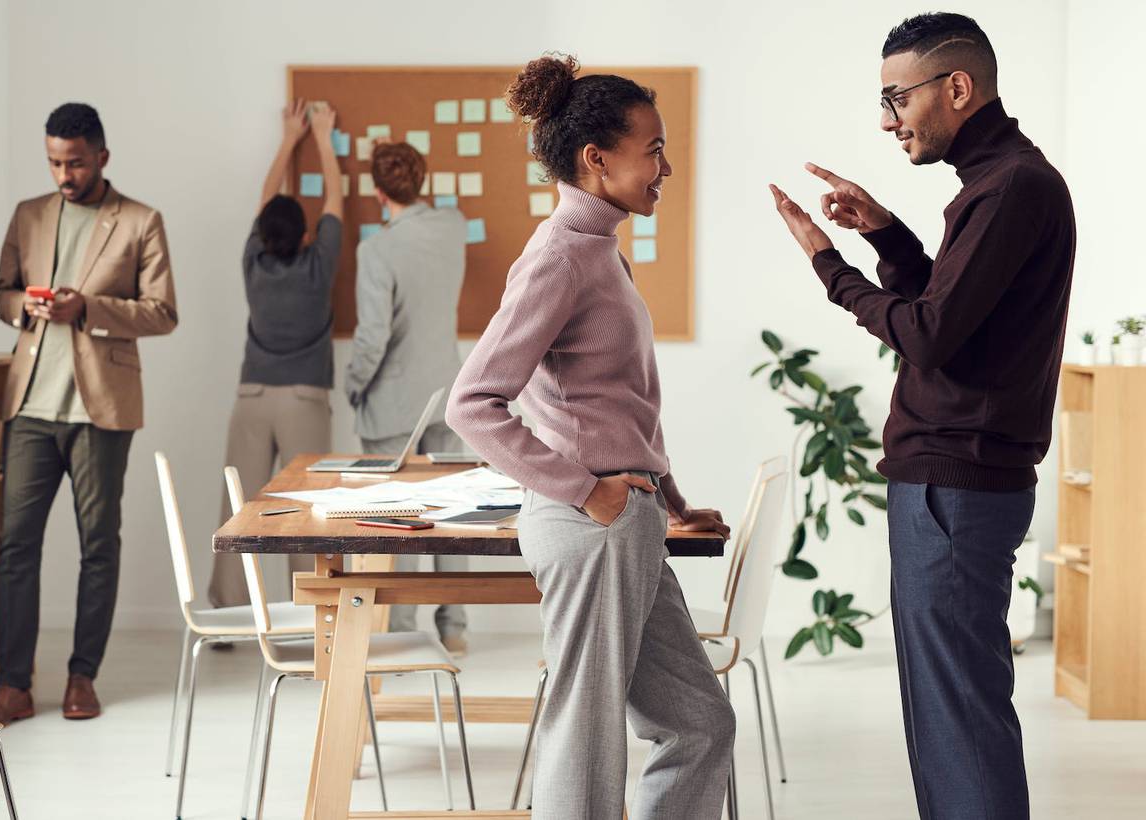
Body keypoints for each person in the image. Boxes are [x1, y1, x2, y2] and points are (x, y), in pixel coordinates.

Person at [769, 13, 1074, 819]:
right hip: (960, 483)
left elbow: (928, 335)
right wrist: (887, 234)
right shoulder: (1001, 185)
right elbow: (960, 314)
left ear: (958, 88)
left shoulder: (1009, 188)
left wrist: (828, 265)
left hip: (957, 486)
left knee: (959, 720)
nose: (885, 119)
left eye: (895, 98)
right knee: (952, 716)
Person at [446, 54, 734, 818]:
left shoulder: (600, 248)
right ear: (596, 159)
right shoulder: (559, 257)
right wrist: (586, 490)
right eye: (655, 150)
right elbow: (473, 404)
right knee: (586, 732)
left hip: (628, 517)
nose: (667, 166)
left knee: (702, 723)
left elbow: (623, 402)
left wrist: (670, 498)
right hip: (591, 522)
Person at [0, 102, 178, 724]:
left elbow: (162, 312)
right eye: (54, 162)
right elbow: (1, 293)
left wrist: (88, 308)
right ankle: (13, 682)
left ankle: (81, 677)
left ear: (101, 157)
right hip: (31, 407)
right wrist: (28, 307)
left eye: (75, 162)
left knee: (98, 545)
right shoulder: (29, 215)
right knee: (17, 547)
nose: (64, 174)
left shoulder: (141, 221)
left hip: (101, 411)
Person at [207, 100, 344, 611]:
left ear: (263, 235)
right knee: (306, 507)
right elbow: (335, 200)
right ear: (307, 235)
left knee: (237, 504)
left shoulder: (253, 263)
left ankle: (225, 605)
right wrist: (325, 138)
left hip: (252, 396)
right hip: (305, 399)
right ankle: (309, 606)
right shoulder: (319, 265)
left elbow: (267, 200)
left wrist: (290, 137)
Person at [345, 140, 471, 652]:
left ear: (377, 192)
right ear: (421, 182)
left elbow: (372, 337)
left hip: (393, 403)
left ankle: (399, 632)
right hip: (447, 391)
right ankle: (454, 628)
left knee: (397, 516)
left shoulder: (375, 249)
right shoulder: (454, 227)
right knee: (452, 510)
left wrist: (354, 384)